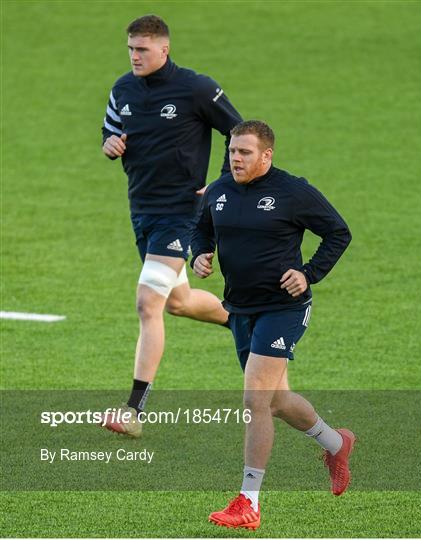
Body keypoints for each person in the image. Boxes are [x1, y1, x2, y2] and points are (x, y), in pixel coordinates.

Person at [191, 120, 355, 530]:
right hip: (240, 309)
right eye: (232, 151)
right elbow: (201, 228)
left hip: (283, 308)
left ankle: (249, 501)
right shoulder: (219, 190)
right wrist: (200, 254)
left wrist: (309, 273)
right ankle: (337, 444)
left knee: (254, 401)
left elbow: (338, 232)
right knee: (277, 402)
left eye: (245, 152)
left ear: (267, 155)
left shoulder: (292, 191)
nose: (236, 158)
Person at [101, 15, 242, 437]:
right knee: (176, 302)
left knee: (148, 303)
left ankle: (134, 411)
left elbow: (238, 130)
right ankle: (242, 316)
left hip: (182, 213)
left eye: (142, 49)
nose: (134, 56)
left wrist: (219, 184)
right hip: (141, 211)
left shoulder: (196, 88)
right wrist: (110, 145)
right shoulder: (122, 90)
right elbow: (110, 132)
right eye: (130, 49)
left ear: (164, 49)